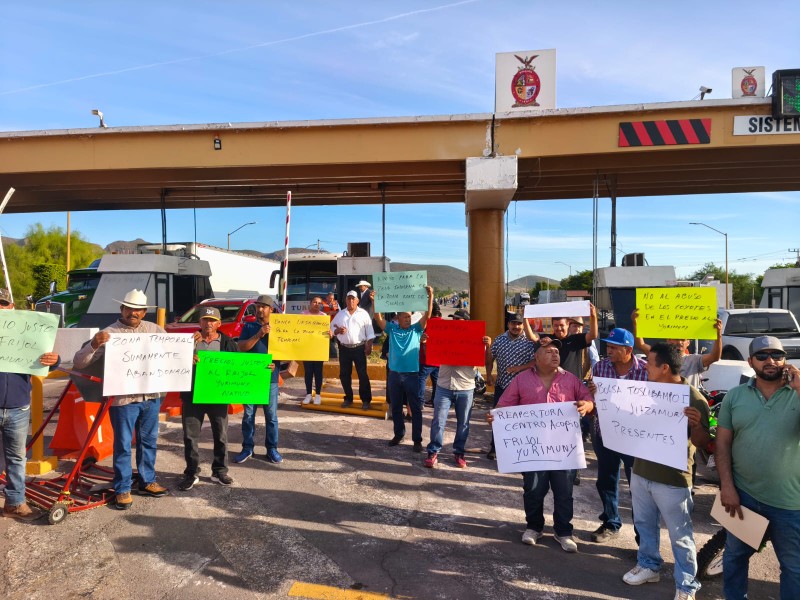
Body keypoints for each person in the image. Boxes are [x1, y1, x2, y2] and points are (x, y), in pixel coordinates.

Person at [487, 340, 594, 552]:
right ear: (536, 358)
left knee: (564, 492)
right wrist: (495, 417)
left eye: (556, 351)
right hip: (533, 449)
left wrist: (587, 405)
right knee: (533, 490)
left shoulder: (571, 379)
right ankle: (534, 527)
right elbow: (503, 406)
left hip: (564, 450)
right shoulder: (521, 380)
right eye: (548, 352)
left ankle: (563, 532)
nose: (555, 354)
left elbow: (588, 399)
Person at [622, 342, 709, 600]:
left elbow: (703, 443)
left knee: (680, 535)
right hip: (641, 472)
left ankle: (686, 586)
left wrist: (696, 425)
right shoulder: (643, 391)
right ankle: (649, 566)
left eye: (649, 363)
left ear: (664, 367)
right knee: (644, 525)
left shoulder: (693, 398)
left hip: (672, 480)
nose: (644, 367)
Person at [716, 336, 800, 600]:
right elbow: (722, 445)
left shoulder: (797, 392)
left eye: (776, 355)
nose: (770, 361)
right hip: (744, 497)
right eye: (762, 356)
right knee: (734, 559)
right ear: (750, 361)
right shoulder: (735, 396)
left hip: (791, 504)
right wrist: (727, 487)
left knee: (794, 569)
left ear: (785, 360)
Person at [73, 289, 169, 510]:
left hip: (151, 397)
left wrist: (190, 345)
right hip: (124, 400)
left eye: (137, 310)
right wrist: (94, 344)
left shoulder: (156, 330)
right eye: (129, 308)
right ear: (121, 309)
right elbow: (79, 362)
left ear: (144, 312)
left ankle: (147, 481)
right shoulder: (108, 333)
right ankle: (123, 488)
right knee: (124, 445)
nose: (132, 313)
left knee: (148, 442)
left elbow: (173, 356)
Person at [0, 288, 60, 520]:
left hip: (18, 407)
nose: (1, 308)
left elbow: (45, 359)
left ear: (12, 307)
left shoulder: (27, 328)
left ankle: (15, 502)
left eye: (4, 304)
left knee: (16, 458)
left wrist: (55, 361)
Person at [590, 327, 648, 544]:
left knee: (638, 487)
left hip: (635, 438)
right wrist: (591, 395)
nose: (609, 350)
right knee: (606, 480)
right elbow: (593, 396)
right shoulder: (600, 367)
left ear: (628, 350)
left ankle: (643, 536)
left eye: (614, 347)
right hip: (605, 434)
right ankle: (610, 522)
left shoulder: (646, 370)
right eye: (608, 346)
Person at [178, 306, 237, 490]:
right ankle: (192, 472)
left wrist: (264, 369)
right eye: (205, 320)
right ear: (200, 322)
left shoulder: (228, 343)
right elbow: (172, 361)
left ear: (219, 323)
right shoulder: (189, 341)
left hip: (217, 397)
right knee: (190, 436)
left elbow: (239, 368)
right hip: (192, 396)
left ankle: (219, 471)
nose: (208, 323)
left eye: (212, 320)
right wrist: (188, 353)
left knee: (220, 435)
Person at [425, 309, 490, 468]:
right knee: (438, 421)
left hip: (466, 387)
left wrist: (488, 346)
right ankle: (433, 451)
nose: (454, 321)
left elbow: (485, 360)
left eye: (458, 319)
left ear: (466, 323)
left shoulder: (478, 340)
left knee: (464, 423)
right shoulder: (443, 335)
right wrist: (426, 342)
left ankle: (459, 452)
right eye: (453, 319)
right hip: (444, 385)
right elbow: (432, 355)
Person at [374, 286, 434, 450]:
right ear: (398, 318)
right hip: (394, 374)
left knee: (415, 408)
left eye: (409, 317)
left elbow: (427, 315)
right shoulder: (392, 329)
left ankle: (417, 440)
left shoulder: (416, 330)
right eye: (405, 317)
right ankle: (398, 434)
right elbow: (378, 318)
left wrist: (431, 296)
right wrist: (375, 301)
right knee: (396, 406)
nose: (408, 319)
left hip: (412, 375)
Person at [234, 294, 282, 464]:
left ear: (271, 309)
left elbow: (288, 350)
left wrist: (277, 364)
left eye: (264, 306)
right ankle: (247, 448)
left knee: (271, 416)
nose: (260, 309)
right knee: (248, 415)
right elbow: (241, 348)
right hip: (251, 378)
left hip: (270, 378)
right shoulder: (249, 326)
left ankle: (272, 449)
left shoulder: (279, 327)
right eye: (258, 306)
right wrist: (258, 335)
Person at [484, 313, 536, 460]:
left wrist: (519, 368)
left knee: (521, 420)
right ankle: (495, 447)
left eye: (519, 324)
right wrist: (488, 375)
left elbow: (536, 362)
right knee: (498, 418)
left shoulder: (530, 341)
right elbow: (490, 358)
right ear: (508, 324)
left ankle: (519, 449)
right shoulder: (499, 340)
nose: (516, 326)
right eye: (513, 323)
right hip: (502, 385)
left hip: (524, 388)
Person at [632, 309, 723, 389]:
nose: (679, 342)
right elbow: (641, 344)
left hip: (688, 406)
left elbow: (714, 357)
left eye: (683, 339)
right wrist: (636, 324)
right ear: (668, 340)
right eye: (675, 338)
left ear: (688, 343)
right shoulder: (659, 355)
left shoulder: (694, 360)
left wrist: (718, 335)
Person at [524, 304, 598, 380]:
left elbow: (593, 335)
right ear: (552, 326)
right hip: (552, 385)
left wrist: (593, 316)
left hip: (572, 385)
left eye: (561, 325)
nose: (559, 328)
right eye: (556, 325)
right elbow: (531, 337)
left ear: (567, 325)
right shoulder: (547, 338)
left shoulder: (575, 339)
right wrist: (525, 318)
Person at [330, 290, 374, 409]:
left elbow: (370, 333)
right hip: (344, 349)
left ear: (357, 300)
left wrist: (369, 345)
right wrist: (338, 331)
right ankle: (348, 398)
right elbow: (331, 330)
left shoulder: (363, 314)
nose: (351, 301)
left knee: (362, 375)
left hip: (359, 348)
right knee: (344, 375)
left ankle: (366, 400)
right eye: (348, 298)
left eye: (353, 299)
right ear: (345, 300)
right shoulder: (340, 314)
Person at [302, 296, 326, 405]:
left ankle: (318, 395)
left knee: (318, 372)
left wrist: (330, 333)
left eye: (319, 303)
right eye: (315, 302)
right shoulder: (303, 315)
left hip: (319, 349)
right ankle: (308, 394)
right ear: (310, 303)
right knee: (308, 372)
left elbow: (327, 332)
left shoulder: (323, 316)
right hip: (306, 348)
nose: (317, 304)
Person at [418, 303, 442, 409]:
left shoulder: (427, 324)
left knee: (421, 380)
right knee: (436, 381)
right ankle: (435, 401)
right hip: (439, 359)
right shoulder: (445, 324)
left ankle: (420, 402)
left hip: (426, 359)